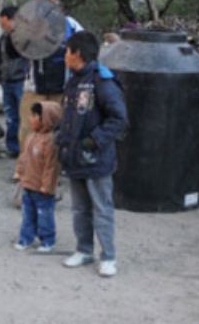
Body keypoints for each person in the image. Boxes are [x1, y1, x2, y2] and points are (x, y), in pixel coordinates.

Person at [56, 31, 127, 278]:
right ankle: (84, 250)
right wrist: (61, 141)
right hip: (74, 157)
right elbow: (69, 116)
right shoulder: (73, 81)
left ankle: (108, 257)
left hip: (96, 159)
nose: (65, 56)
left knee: (101, 208)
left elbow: (119, 119)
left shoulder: (103, 82)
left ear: (78, 54)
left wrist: (94, 140)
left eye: (67, 51)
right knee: (79, 209)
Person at [18, 0, 83, 146]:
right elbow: (20, 47)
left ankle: (53, 165)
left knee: (58, 125)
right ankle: (26, 166)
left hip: (62, 86)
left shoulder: (70, 23)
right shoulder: (28, 24)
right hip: (34, 86)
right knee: (29, 127)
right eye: (47, 1)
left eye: (55, 0)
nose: (52, 4)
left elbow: (84, 46)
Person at [13, 101, 62, 252]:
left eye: (35, 115)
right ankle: (26, 237)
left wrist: (47, 185)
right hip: (28, 184)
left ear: (46, 119)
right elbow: (24, 157)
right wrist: (19, 172)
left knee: (44, 215)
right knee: (27, 213)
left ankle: (48, 240)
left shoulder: (51, 141)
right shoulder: (31, 136)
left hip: (42, 189)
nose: (30, 118)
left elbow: (51, 167)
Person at [0, 6, 27, 157]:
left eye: (4, 23)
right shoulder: (3, 37)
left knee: (24, 116)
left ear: (12, 20)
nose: (3, 26)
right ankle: (13, 147)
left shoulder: (24, 36)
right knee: (10, 116)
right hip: (7, 81)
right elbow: (0, 59)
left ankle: (24, 147)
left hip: (20, 81)